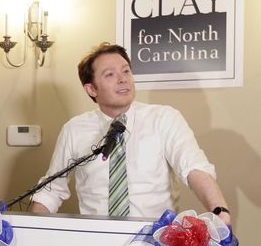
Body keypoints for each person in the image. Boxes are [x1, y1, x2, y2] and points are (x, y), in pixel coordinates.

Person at [30, 42, 231, 226]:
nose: (122, 79)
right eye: (110, 74)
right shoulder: (74, 129)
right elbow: (51, 190)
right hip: (95, 244)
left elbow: (194, 168)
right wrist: (30, 229)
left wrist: (220, 211)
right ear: (91, 89)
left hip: (156, 245)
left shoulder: (164, 118)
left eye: (126, 71)